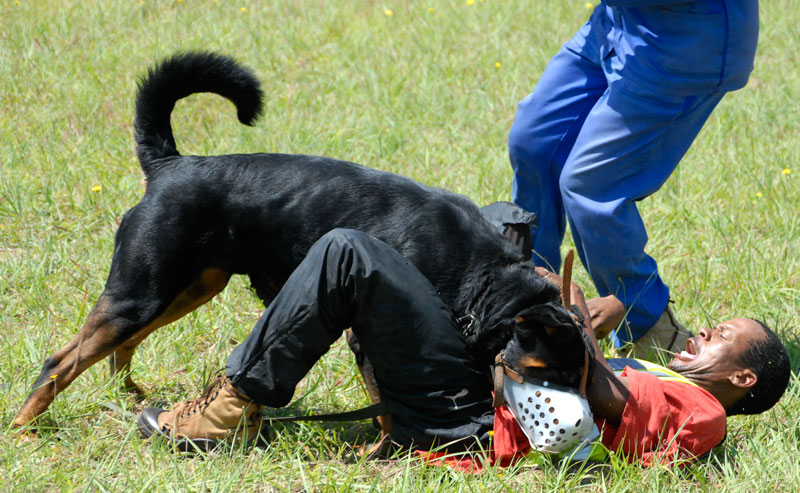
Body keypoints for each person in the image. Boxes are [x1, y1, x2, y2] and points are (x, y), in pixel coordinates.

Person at [136, 228, 791, 467]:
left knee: (350, 253)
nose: (700, 333)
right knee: (463, 234)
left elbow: (606, 411)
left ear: (743, 379)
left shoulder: (704, 416)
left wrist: (572, 335)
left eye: (716, 337)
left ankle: (227, 409)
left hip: (471, 423)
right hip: (480, 381)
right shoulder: (658, 371)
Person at [507, 1, 760, 358]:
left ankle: (650, 327)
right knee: (535, 143)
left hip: (682, 41)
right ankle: (532, 293)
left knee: (593, 185)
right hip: (619, 22)